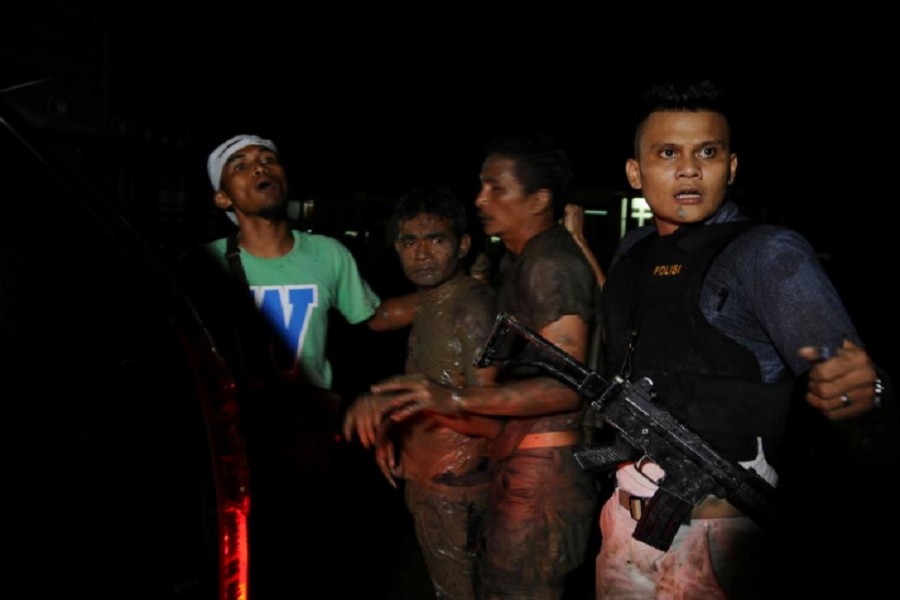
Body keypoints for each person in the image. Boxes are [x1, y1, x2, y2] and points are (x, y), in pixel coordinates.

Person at [594, 78, 889, 598]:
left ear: (731, 166)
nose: (689, 169)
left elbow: (854, 387)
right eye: (668, 153)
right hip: (622, 524)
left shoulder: (767, 255)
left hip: (717, 539)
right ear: (635, 172)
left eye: (708, 151)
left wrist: (872, 393)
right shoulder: (633, 250)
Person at [175, 134, 416, 598]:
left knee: (313, 563)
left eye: (268, 159)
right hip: (238, 447)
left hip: (311, 445)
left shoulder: (327, 254)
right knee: (242, 570)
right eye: (241, 165)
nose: (260, 167)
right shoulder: (203, 265)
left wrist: (452, 294)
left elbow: (374, 315)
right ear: (223, 197)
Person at [371, 133, 601, 599]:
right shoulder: (523, 260)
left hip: (544, 473)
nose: (480, 198)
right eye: (481, 186)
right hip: (524, 466)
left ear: (539, 200)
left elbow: (568, 385)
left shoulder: (549, 267)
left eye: (496, 188)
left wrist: (450, 398)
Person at [343, 185, 504, 599]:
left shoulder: (470, 309)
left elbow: (491, 422)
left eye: (436, 240)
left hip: (457, 490)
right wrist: (395, 424)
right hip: (434, 484)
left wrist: (393, 405)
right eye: (410, 241)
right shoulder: (431, 302)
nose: (422, 253)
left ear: (462, 245)